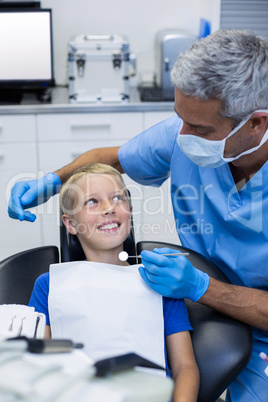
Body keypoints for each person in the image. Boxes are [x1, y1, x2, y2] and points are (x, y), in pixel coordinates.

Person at [8, 29, 268, 401]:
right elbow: (111, 158)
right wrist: (52, 181)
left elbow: (185, 370)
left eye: (199, 128)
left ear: (255, 123)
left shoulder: (158, 291)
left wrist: (200, 287)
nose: (182, 134)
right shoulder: (51, 288)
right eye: (180, 118)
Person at [28, 163, 199, 402]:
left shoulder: (161, 281)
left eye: (117, 198)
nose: (109, 208)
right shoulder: (49, 286)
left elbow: (185, 367)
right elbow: (36, 367)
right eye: (92, 201)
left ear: (129, 210)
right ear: (70, 224)